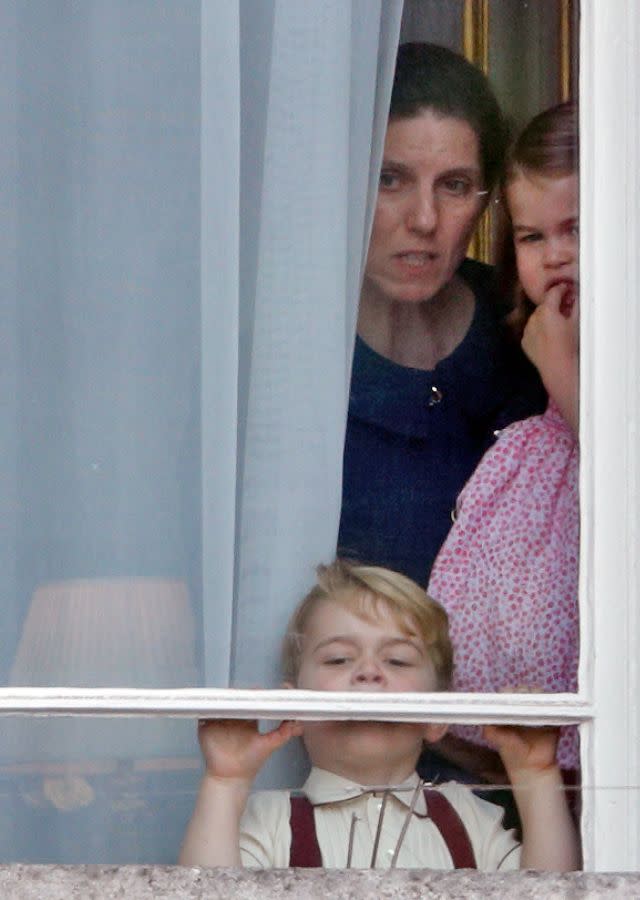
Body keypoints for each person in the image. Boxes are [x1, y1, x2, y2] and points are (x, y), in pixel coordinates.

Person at [179, 559, 579, 870]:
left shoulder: (469, 818)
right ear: (293, 709)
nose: (368, 671)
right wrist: (225, 781)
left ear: (438, 715)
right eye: (338, 658)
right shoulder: (271, 820)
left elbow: (551, 892)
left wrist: (535, 775)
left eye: (398, 660)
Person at [338, 43, 546, 587]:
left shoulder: (529, 323)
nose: (425, 219)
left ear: (486, 199)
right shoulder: (295, 339)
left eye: (454, 185)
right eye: (391, 180)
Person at [428, 102, 580, 778]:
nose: (557, 256)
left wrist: (563, 374)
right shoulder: (529, 440)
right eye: (531, 236)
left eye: (578, 227)